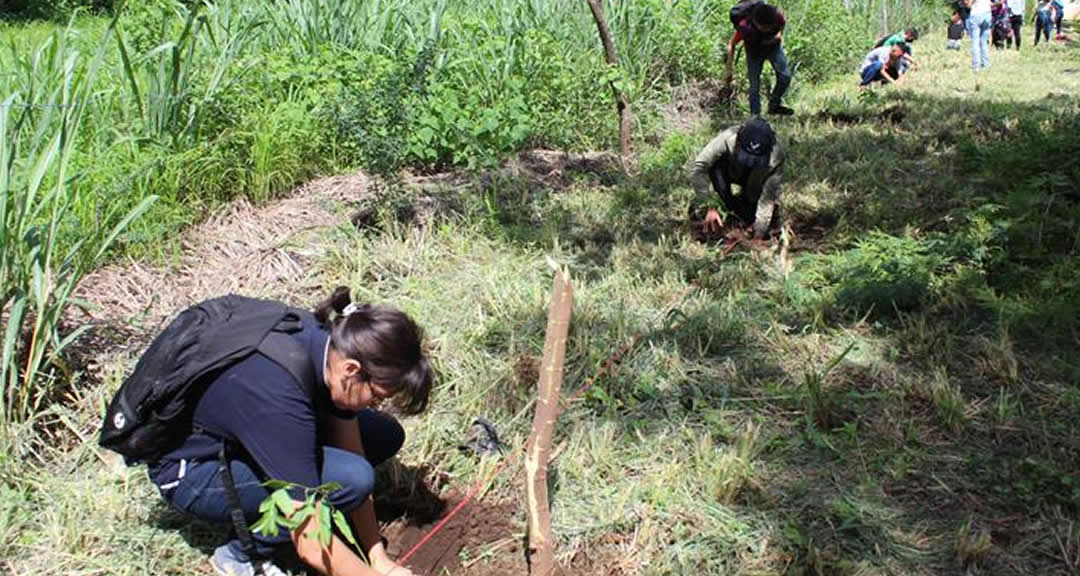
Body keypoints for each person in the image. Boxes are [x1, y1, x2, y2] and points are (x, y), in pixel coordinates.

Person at [148, 288, 433, 576]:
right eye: (377, 398)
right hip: (192, 472)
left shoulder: (330, 346)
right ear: (352, 370)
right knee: (350, 480)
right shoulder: (281, 402)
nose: (376, 405)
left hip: (250, 429)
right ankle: (243, 555)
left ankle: (295, 486)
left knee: (383, 435)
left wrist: (378, 559)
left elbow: (352, 449)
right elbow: (310, 542)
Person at [689, 117, 784, 240]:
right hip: (726, 172)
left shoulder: (775, 158)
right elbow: (699, 167)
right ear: (738, 140)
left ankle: (742, 205)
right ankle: (724, 205)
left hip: (754, 180)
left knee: (750, 214)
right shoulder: (727, 137)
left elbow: (768, 197)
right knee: (716, 172)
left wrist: (760, 231)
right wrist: (708, 206)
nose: (749, 162)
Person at [725, 1, 795, 117]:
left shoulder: (777, 16)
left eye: (770, 27)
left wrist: (779, 35)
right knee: (754, 87)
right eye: (764, 27)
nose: (767, 30)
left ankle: (774, 105)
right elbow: (731, 44)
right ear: (755, 22)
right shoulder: (745, 26)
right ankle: (756, 117)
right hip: (754, 53)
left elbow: (782, 25)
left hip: (773, 48)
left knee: (785, 76)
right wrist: (729, 69)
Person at [967, 0, 993, 71]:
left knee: (975, 41)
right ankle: (985, 65)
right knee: (984, 41)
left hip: (976, 14)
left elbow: (969, 4)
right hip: (987, 14)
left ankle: (976, 66)